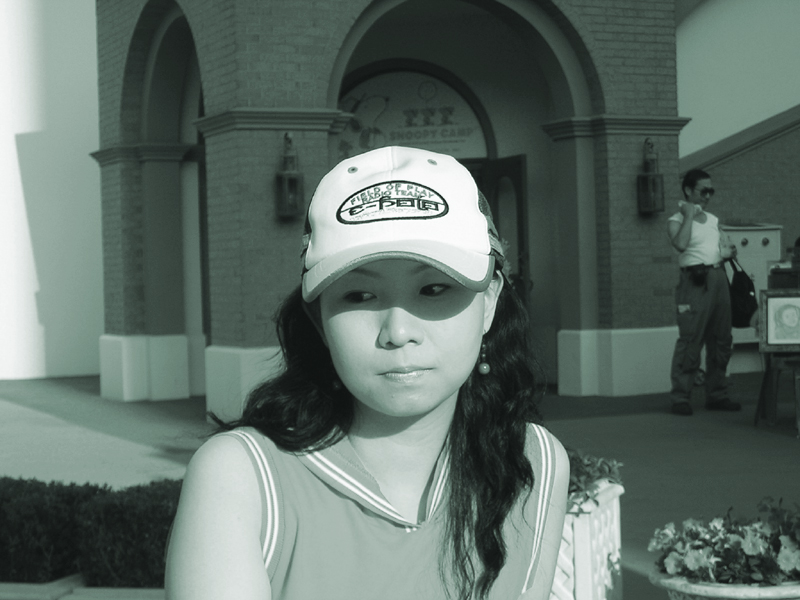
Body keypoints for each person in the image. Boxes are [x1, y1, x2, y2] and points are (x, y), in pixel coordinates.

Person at [165, 146, 569, 600]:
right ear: (319, 319)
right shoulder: (243, 478)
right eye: (359, 295)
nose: (398, 331)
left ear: (490, 300)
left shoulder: (533, 461)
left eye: (434, 288)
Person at [667, 168, 741, 416]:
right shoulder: (676, 220)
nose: (708, 196)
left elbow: (724, 246)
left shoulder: (713, 220)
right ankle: (681, 396)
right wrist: (688, 214)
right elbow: (680, 244)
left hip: (718, 276)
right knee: (691, 339)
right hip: (694, 280)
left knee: (722, 339)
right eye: (703, 191)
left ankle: (717, 393)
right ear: (688, 190)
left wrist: (729, 250)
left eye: (711, 191)